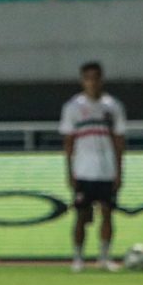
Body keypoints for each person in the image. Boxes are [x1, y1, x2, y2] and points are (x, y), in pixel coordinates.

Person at [59, 61, 126, 273]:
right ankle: (78, 258)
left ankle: (104, 257)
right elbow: (68, 142)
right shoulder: (73, 107)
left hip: (106, 170)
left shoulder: (112, 106)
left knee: (107, 213)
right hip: (83, 170)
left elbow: (119, 141)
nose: (92, 82)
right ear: (82, 81)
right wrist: (69, 171)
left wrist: (119, 171)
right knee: (81, 215)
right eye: (88, 78)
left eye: (96, 77)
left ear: (101, 79)